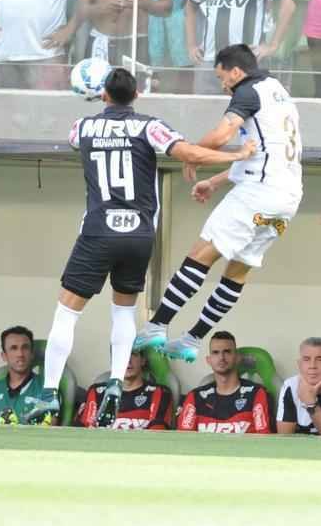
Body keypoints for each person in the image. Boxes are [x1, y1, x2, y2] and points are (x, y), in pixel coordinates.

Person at [22, 66, 255, 426]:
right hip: (139, 233)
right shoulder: (149, 126)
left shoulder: (81, 128)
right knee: (123, 311)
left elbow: (75, 139)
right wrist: (237, 155)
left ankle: (50, 392)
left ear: (102, 95)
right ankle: (116, 382)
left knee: (67, 313)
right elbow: (189, 153)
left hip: (98, 230)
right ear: (138, 95)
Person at [135, 44, 304, 363]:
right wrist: (215, 180)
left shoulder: (247, 92)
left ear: (236, 72)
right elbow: (263, 154)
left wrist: (193, 153)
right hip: (287, 199)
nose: (222, 84)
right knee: (239, 268)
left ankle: (157, 325)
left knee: (202, 253)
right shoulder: (278, 91)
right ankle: (193, 338)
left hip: (258, 192)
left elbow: (221, 134)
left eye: (221, 77)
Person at [176, 330, 272, 433]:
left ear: (237, 358)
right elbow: (184, 441)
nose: (221, 357)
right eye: (216, 352)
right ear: (209, 360)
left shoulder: (257, 393)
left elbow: (263, 438)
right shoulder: (194, 397)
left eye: (227, 352)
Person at [77, 348, 175, 429]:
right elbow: (83, 432)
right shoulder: (96, 392)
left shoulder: (159, 393)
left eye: (133, 354)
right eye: (122, 354)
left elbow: (157, 434)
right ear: (113, 361)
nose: (128, 360)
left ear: (143, 360)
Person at [0, 325, 50, 424]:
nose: (20, 354)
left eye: (25, 348)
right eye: (14, 348)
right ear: (4, 356)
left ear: (32, 354)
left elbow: (51, 427)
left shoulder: (48, 389)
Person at [276, 337, 321, 436]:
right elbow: (284, 436)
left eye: (320, 360)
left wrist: (311, 404)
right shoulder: (290, 386)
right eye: (306, 359)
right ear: (299, 364)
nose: (312, 366)